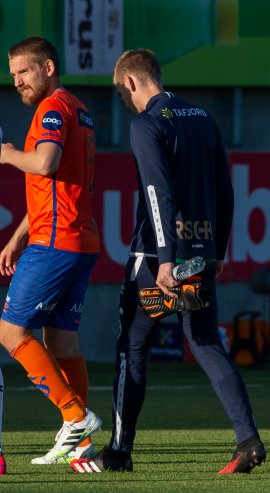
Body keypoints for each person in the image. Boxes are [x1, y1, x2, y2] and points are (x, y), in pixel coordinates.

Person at [71, 49, 265, 474]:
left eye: (121, 92)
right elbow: (226, 191)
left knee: (132, 347)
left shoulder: (145, 123)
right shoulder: (202, 117)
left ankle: (119, 453)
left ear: (132, 82)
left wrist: (164, 261)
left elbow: (159, 194)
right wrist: (217, 252)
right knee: (206, 343)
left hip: (155, 261)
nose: (123, 99)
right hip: (200, 254)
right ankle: (248, 440)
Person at [0, 37, 102, 467]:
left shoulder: (52, 109)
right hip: (77, 240)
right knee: (61, 341)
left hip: (56, 243)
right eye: (13, 75)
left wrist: (6, 155)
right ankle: (80, 447)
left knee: (10, 333)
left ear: (48, 66)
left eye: (24, 71)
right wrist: (19, 234)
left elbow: (45, 163)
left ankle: (75, 417)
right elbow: (54, 185)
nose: (17, 81)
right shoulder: (79, 108)